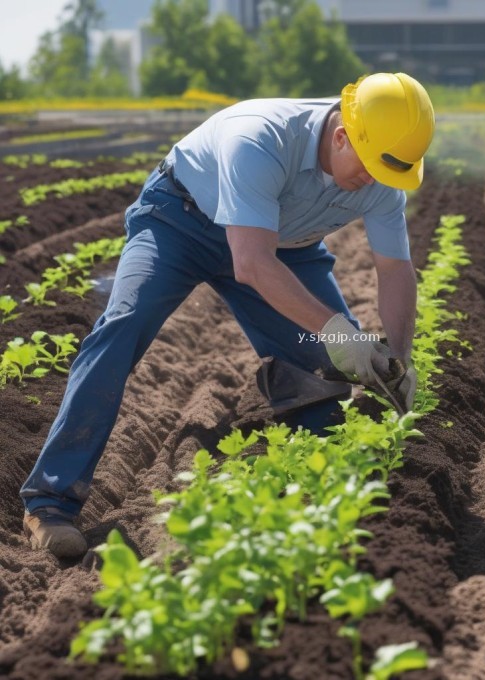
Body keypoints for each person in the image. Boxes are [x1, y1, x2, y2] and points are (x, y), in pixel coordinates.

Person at [20, 72, 435, 558]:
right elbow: (251, 263)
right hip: (182, 221)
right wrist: (342, 332)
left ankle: (321, 484)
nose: (377, 182)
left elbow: (395, 270)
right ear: (342, 136)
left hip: (286, 244)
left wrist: (399, 360)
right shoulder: (261, 137)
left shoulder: (382, 169)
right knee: (123, 325)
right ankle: (50, 502)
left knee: (324, 360)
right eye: (369, 169)